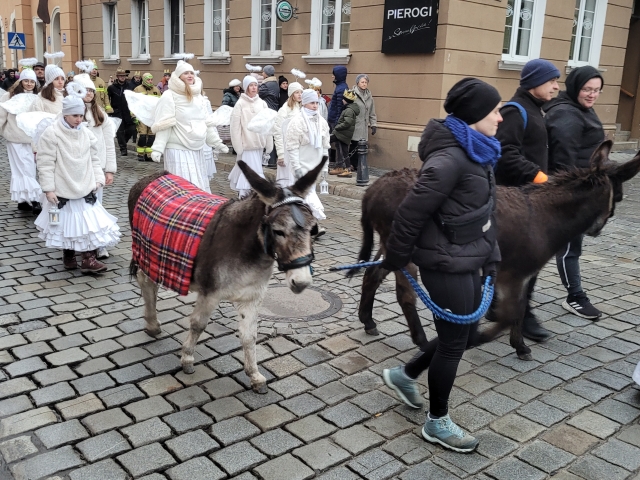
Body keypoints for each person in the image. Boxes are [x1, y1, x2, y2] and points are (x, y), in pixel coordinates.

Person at [380, 78, 502, 453]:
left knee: (462, 336)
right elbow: (410, 213)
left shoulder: (478, 151)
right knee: (454, 342)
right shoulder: (450, 159)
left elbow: (482, 212)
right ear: (475, 114)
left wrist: (492, 256)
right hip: (444, 263)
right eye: (495, 110)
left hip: (468, 256)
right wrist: (397, 258)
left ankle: (405, 375)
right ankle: (437, 423)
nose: (500, 117)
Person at [493, 58, 561, 342]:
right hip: (515, 202)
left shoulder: (536, 110)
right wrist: (539, 177)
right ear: (534, 83)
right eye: (551, 81)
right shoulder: (515, 110)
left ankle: (500, 306)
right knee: (527, 258)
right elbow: (505, 153)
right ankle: (521, 313)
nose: (557, 87)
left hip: (530, 200)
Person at [34, 83, 121, 273]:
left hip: (86, 185)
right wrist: (48, 188)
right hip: (63, 186)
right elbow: (45, 163)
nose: (78, 119)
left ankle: (88, 259)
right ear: (65, 114)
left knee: (87, 223)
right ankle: (69, 254)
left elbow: (94, 158)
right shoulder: (52, 133)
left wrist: (98, 178)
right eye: (75, 115)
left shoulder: (86, 133)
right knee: (66, 222)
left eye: (81, 115)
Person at [544, 66, 605, 320]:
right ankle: (576, 297)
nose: (592, 95)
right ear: (575, 87)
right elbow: (563, 160)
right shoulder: (567, 114)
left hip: (582, 188)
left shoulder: (581, 109)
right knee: (570, 246)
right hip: (569, 192)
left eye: (597, 90)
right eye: (587, 89)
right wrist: (571, 195)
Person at [150, 59, 227, 193]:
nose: (190, 75)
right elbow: (165, 124)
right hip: (177, 149)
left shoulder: (199, 98)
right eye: (185, 73)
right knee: (181, 185)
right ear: (178, 77)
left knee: (198, 183)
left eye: (192, 72)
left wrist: (217, 143)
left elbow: (206, 124)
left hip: (196, 148)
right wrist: (158, 148)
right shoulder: (169, 96)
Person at [73, 73, 118, 259]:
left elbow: (108, 143)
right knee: (78, 206)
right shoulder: (71, 113)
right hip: (76, 168)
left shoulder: (100, 114)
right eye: (85, 90)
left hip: (96, 167)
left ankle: (98, 243)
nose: (89, 93)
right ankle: (79, 242)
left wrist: (109, 169)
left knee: (95, 205)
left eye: (92, 90)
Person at [284, 89, 331, 229]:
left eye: (317, 102)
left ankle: (303, 223)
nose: (315, 105)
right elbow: (292, 147)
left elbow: (324, 145)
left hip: (314, 165)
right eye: (312, 103)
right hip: (301, 164)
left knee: (306, 194)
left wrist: (325, 165)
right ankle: (312, 223)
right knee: (306, 193)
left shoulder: (321, 122)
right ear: (304, 103)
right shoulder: (297, 122)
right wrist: (296, 167)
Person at [0, 62, 42, 213]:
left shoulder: (38, 97)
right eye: (26, 81)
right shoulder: (9, 96)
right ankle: (32, 199)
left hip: (32, 139)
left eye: (32, 81)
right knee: (21, 169)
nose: (29, 84)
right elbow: (1, 116)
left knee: (29, 168)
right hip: (15, 138)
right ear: (20, 81)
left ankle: (25, 198)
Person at [228, 75, 273, 198]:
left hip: (259, 143)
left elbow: (268, 124)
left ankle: (254, 193)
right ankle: (245, 194)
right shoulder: (240, 104)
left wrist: (269, 143)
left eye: (255, 85)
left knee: (256, 168)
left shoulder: (262, 103)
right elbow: (235, 126)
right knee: (249, 170)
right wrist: (238, 146)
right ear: (246, 87)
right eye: (251, 85)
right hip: (246, 144)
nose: (254, 88)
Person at [274, 80, 303, 187]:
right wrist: (280, 154)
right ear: (291, 94)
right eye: (297, 92)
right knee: (286, 180)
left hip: (297, 148)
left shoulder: (301, 108)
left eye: (301, 92)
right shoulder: (284, 110)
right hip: (286, 149)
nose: (300, 94)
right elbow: (277, 131)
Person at [329, 89, 359, 178]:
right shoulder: (349, 108)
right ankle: (343, 168)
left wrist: (337, 127)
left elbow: (347, 123)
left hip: (341, 133)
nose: (342, 100)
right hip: (343, 134)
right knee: (344, 151)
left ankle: (346, 169)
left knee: (325, 141)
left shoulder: (349, 110)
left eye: (343, 99)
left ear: (346, 100)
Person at [351, 74, 377, 170]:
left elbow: (372, 112)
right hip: (355, 124)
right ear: (358, 83)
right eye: (362, 82)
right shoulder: (352, 93)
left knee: (362, 146)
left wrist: (373, 124)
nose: (364, 84)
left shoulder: (369, 96)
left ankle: (359, 165)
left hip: (364, 125)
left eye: (366, 82)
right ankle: (352, 164)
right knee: (354, 145)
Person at [133, 73, 161, 161]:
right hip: (142, 117)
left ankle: (149, 155)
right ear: (144, 80)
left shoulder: (156, 90)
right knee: (142, 135)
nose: (150, 81)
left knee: (151, 136)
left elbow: (160, 104)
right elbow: (133, 104)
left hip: (152, 117)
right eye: (148, 80)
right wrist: (134, 116)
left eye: (151, 79)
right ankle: (140, 154)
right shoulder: (138, 89)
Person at [108, 68, 136, 156]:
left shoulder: (129, 86)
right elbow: (107, 99)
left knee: (131, 129)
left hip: (128, 111)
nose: (122, 77)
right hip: (117, 112)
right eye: (121, 76)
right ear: (117, 77)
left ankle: (124, 141)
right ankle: (123, 149)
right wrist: (109, 110)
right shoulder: (112, 87)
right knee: (120, 131)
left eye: (124, 76)